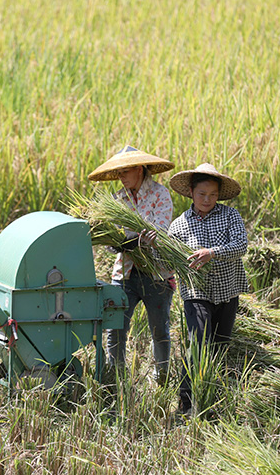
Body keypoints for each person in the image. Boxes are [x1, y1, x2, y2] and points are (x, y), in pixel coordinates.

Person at [88, 145, 176, 385]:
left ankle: (162, 378)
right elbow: (109, 241)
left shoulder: (160, 195)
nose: (121, 177)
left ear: (139, 169)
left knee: (159, 329)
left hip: (157, 273)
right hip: (125, 274)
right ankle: (114, 378)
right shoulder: (117, 199)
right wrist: (122, 242)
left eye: (125, 172)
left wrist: (130, 239)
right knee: (116, 328)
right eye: (118, 173)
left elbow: (159, 231)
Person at [167, 163, 248, 414]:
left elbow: (241, 246)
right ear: (191, 192)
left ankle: (213, 398)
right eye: (202, 194)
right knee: (198, 342)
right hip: (196, 292)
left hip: (227, 290)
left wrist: (213, 253)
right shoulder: (178, 226)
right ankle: (187, 402)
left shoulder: (230, 216)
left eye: (213, 194)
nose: (207, 199)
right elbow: (170, 261)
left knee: (220, 345)